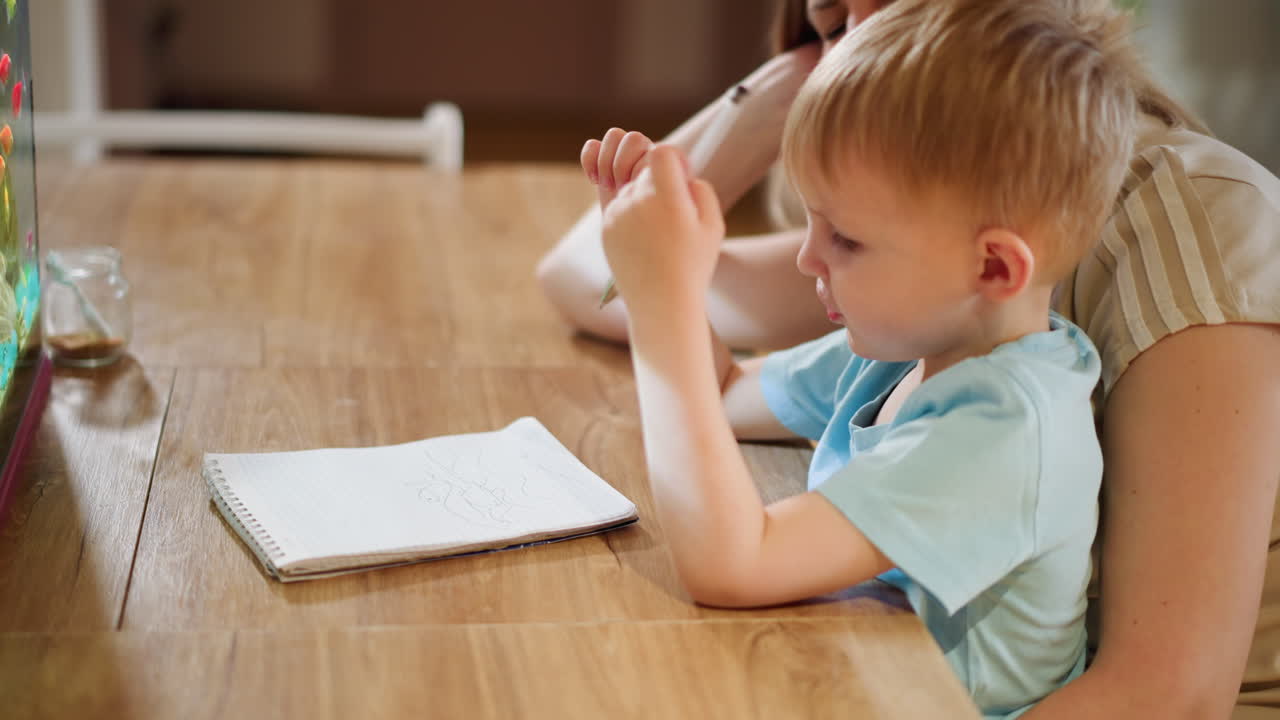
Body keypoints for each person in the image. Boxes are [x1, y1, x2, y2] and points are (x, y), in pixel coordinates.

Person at [539, 0, 1280, 716]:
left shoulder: (1007, 427)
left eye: (846, 239)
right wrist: (647, 267)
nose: (805, 257)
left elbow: (733, 564)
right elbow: (727, 389)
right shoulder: (913, 347)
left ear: (994, 268)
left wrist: (666, 301)